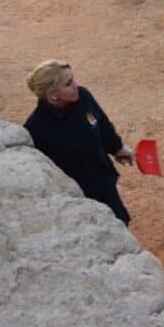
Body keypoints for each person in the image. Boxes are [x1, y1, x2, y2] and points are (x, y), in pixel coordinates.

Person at [23, 60, 135, 225]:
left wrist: (117, 148)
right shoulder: (35, 128)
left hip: (103, 181)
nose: (76, 85)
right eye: (68, 84)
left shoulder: (83, 96)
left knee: (119, 223)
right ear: (53, 95)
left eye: (73, 79)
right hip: (77, 196)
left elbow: (102, 124)